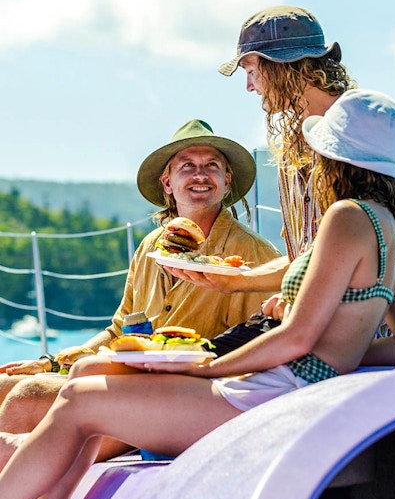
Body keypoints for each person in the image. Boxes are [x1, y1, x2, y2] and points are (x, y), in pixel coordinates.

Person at [0, 89, 395, 499]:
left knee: (77, 400)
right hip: (293, 381)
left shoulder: (345, 216)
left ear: (333, 157)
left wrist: (213, 369)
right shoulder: (389, 232)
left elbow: (297, 337)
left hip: (273, 390)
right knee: (86, 375)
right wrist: (340, 355)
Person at [0, 119, 280, 445]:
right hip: (132, 378)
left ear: (226, 181)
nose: (200, 175)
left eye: (212, 166)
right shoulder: (150, 247)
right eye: (187, 166)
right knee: (5, 386)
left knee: (26, 397)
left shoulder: (252, 255)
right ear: (167, 183)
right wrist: (51, 362)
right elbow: (119, 330)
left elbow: (259, 346)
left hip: (187, 393)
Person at [169, 5, 395, 325]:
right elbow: (307, 260)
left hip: (357, 336)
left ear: (281, 68)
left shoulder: (363, 129)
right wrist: (235, 282)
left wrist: (303, 297)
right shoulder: (291, 145)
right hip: (304, 324)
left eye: (251, 70)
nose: (249, 87)